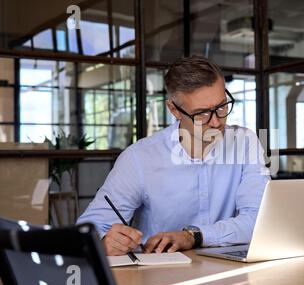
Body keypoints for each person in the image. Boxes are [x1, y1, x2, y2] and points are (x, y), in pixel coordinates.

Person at [77, 55, 270, 256]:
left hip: (228, 271)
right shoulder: (139, 158)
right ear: (174, 109)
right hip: (158, 275)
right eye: (202, 114)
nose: (216, 122)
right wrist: (104, 240)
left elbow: (260, 219)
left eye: (221, 106)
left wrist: (193, 236)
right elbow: (89, 228)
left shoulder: (245, 143)